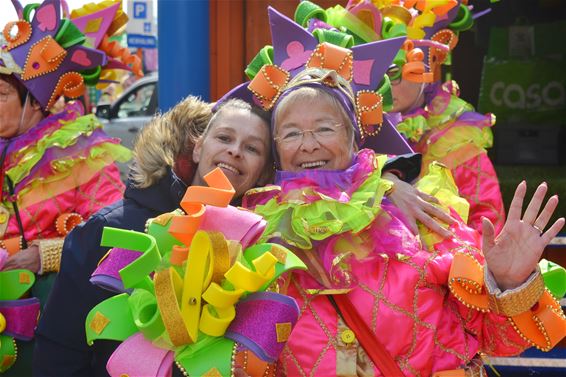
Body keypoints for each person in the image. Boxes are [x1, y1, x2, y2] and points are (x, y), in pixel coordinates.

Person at [235, 8, 565, 376]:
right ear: (277, 146)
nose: (308, 144)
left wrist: (507, 283)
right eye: (292, 132)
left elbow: (495, 339)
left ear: (355, 137)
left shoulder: (421, 215)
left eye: (325, 128)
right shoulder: (254, 236)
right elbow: (247, 362)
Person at [33, 96, 277, 376]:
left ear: (262, 174)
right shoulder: (111, 230)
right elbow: (59, 351)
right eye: (224, 137)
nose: (235, 151)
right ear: (197, 148)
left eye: (252, 148)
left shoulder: (259, 255)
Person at [0, 0, 139, 372]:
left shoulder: (82, 153)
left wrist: (42, 254)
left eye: (1, 95)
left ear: (35, 103)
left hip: (50, 315)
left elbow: (114, 236)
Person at [292, 0, 506, 235]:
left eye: (393, 71)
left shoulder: (457, 143)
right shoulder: (340, 133)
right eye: (372, 71)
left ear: (427, 66)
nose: (381, 84)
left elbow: (487, 229)